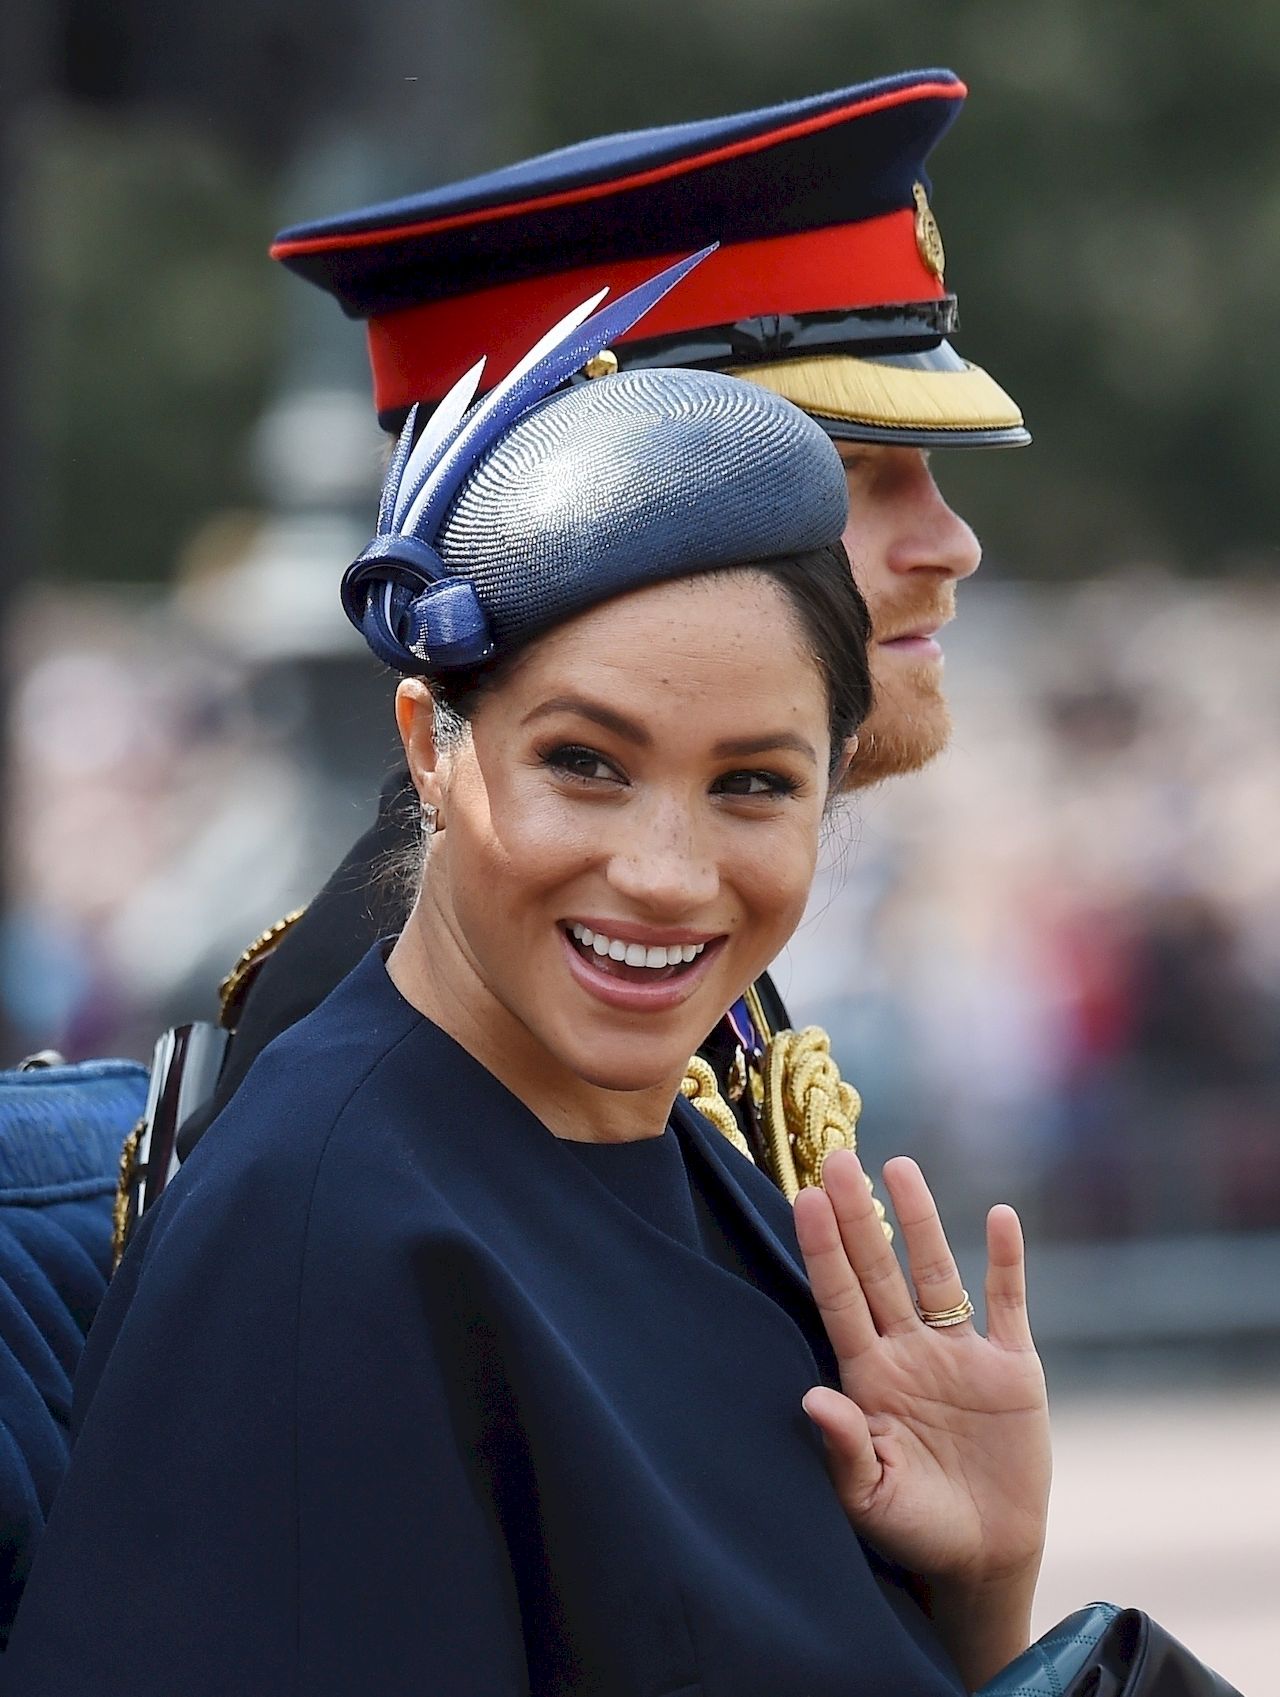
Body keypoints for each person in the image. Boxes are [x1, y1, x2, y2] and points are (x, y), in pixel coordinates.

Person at [3, 257, 1050, 1695]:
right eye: (585, 764)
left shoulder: (666, 1148)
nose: (670, 872)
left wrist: (983, 1588)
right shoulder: (336, 1238)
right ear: (432, 742)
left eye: (753, 785)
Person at [173, 67, 1027, 1176]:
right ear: (588, 515)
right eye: (849, 475)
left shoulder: (549, 960)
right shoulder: (423, 1035)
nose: (949, 542)